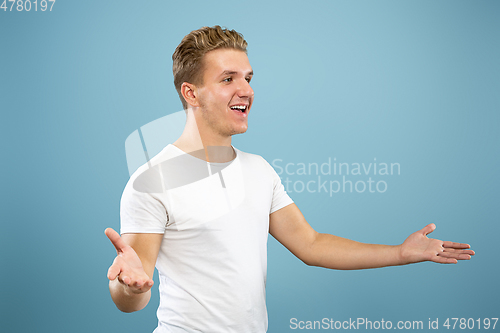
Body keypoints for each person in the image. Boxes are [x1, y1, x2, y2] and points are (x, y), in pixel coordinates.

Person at [105, 25, 474, 333]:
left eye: (248, 78)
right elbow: (133, 295)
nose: (246, 90)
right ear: (191, 93)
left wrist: (400, 253)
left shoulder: (258, 169)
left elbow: (311, 244)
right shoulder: (152, 182)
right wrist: (128, 286)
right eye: (228, 79)